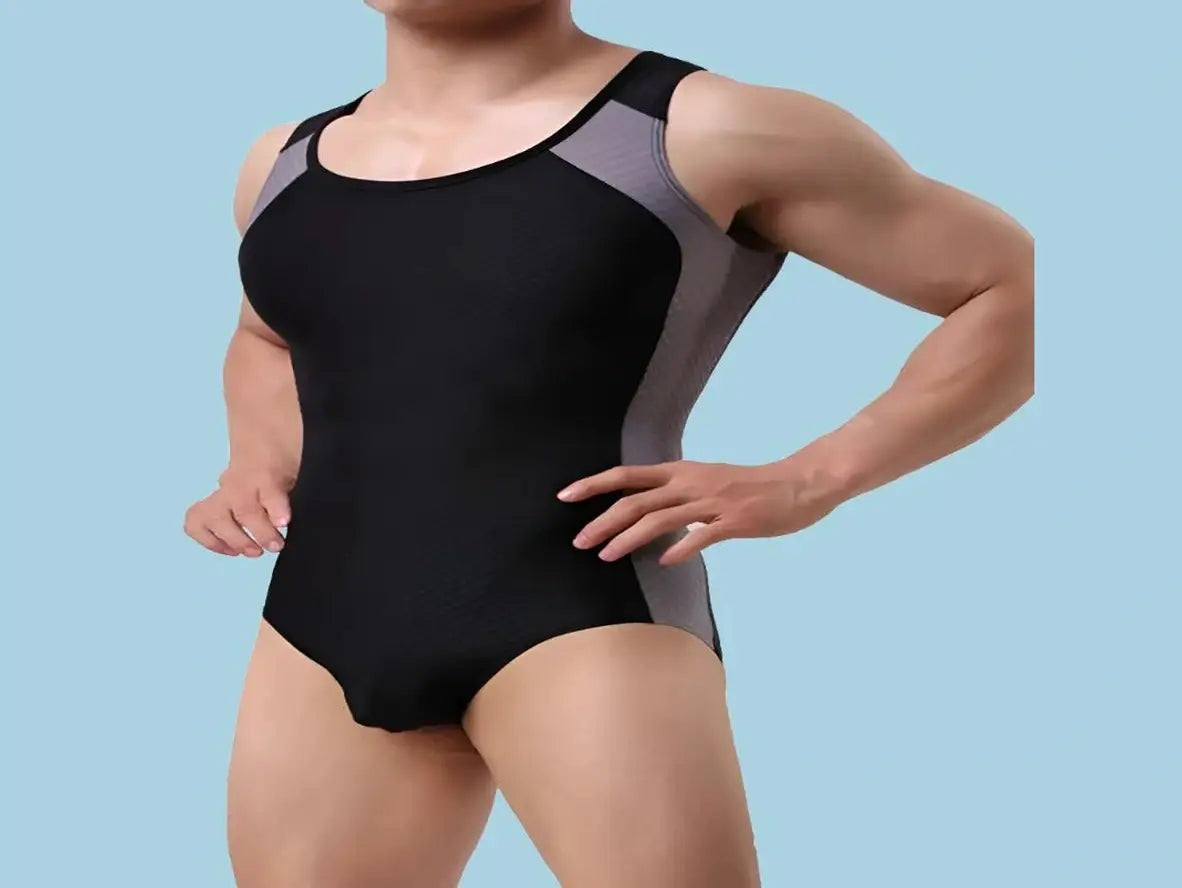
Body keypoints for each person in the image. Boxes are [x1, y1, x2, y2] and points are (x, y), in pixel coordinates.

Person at [182, 0, 1034, 884]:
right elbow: (268, 334)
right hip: (317, 628)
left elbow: (1012, 287)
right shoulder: (281, 164)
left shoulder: (702, 132)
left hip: (581, 612)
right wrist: (255, 460)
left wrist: (813, 477)